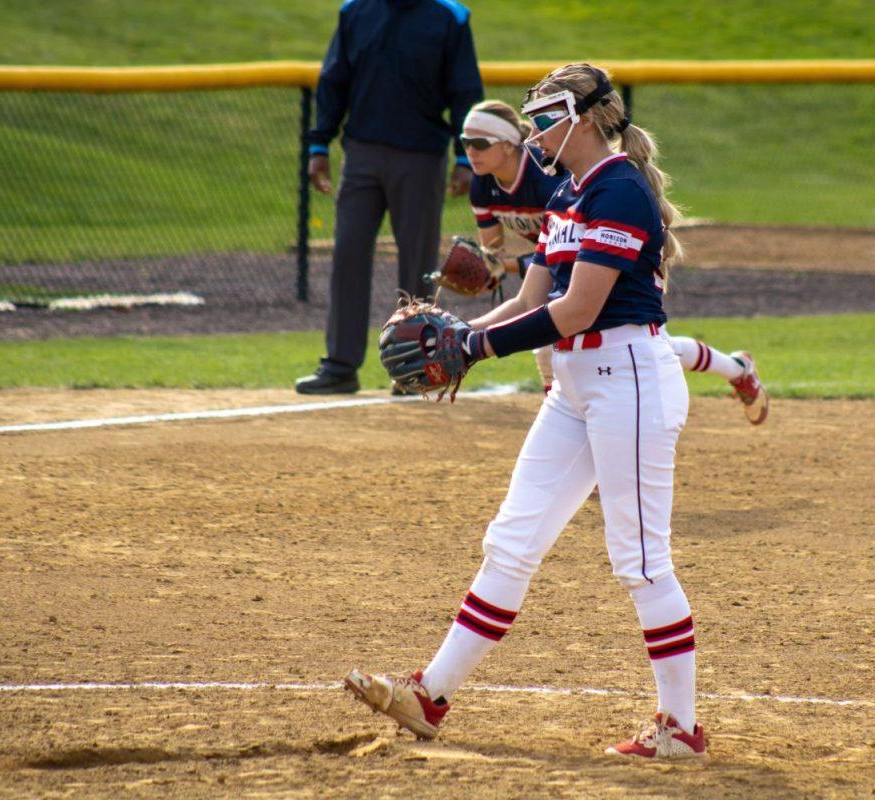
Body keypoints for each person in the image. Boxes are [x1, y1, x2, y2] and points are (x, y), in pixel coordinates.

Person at [345, 64, 712, 759]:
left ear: (583, 116)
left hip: (629, 378)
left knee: (639, 561)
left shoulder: (620, 189)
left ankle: (681, 729)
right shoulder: (570, 195)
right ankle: (431, 696)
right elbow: (529, 299)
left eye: (545, 115)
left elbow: (577, 309)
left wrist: (475, 350)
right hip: (578, 385)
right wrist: (459, 334)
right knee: (511, 540)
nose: (534, 128)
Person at [460, 100, 769, 422]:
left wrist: (505, 268)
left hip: (611, 257)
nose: (471, 151)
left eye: (480, 143)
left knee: (621, 346)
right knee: (648, 349)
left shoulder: (547, 176)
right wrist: (488, 271)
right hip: (568, 266)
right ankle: (737, 369)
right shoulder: (482, 185)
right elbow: (498, 255)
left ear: (509, 143)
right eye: (465, 143)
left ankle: (737, 369)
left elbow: (564, 253)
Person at [295, 0, 484, 395]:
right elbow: (334, 81)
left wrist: (465, 156)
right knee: (347, 253)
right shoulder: (355, 11)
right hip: (361, 153)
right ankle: (340, 365)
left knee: (416, 262)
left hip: (421, 157)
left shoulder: (450, 16)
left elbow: (465, 91)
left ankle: (414, 369)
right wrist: (318, 146)